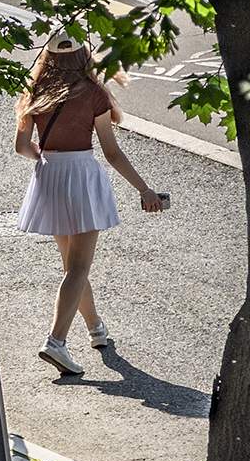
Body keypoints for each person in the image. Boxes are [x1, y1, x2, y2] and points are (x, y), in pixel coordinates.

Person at [12, 36, 162, 376]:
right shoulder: (94, 94)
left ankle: (96, 329)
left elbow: (22, 146)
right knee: (78, 267)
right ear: (83, 56)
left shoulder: (34, 91)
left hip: (48, 175)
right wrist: (145, 190)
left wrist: (44, 158)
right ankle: (56, 341)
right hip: (81, 175)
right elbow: (111, 152)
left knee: (71, 267)